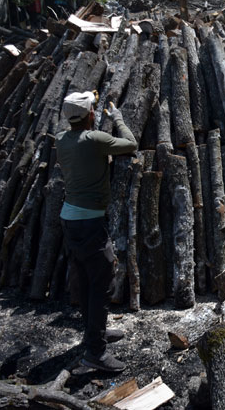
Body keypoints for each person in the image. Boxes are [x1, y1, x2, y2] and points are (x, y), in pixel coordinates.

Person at [56, 91, 137, 372]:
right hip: (90, 224)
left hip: (70, 220)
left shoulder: (61, 140)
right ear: (91, 114)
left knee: (87, 282)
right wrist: (117, 118)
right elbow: (130, 143)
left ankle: (94, 335)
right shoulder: (95, 140)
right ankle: (96, 354)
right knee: (101, 285)